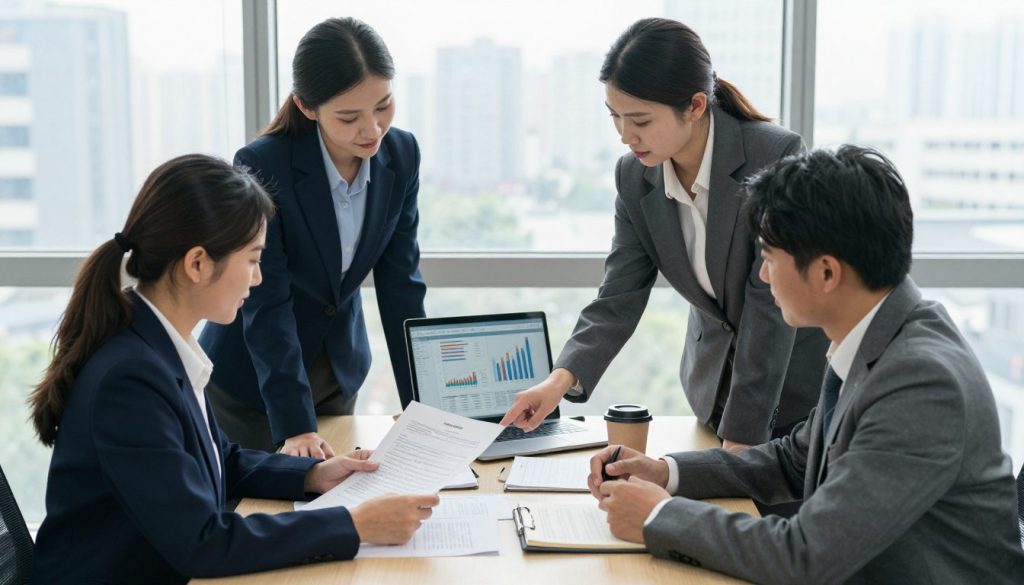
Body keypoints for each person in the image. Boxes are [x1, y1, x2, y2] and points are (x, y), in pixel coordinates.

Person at [587, 146, 1024, 583]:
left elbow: (808, 556)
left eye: (771, 259)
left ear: (827, 274)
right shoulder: (877, 337)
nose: (762, 276)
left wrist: (658, 516)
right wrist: (666, 472)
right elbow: (793, 462)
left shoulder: (922, 383)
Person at [28, 155, 438, 584]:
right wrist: (354, 524)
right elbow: (203, 542)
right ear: (198, 264)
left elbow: (217, 459)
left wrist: (313, 475)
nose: (258, 278)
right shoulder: (129, 379)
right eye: (252, 259)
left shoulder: (160, 342)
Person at [502, 18, 827, 452]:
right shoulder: (636, 177)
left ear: (694, 106)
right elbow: (618, 296)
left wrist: (741, 441)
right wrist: (558, 381)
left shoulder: (774, 155)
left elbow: (767, 308)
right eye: (614, 116)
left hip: (794, 394)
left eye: (639, 120)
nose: (624, 135)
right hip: (713, 393)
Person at [199, 17, 425, 457]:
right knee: (267, 513)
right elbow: (267, 301)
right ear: (306, 107)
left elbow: (402, 286)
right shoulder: (266, 163)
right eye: (348, 117)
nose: (372, 130)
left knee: (339, 505)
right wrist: (295, 426)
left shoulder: (402, 154)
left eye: (383, 106)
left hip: (338, 372)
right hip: (256, 384)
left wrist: (425, 407)